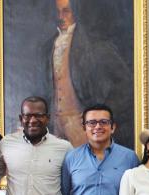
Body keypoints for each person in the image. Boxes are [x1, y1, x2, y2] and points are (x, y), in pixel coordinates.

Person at [41, 0, 133, 147]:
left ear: (75, 12)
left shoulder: (94, 45)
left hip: (82, 129)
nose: (60, 16)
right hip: (55, 130)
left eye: (66, 11)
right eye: (57, 12)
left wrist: (100, 117)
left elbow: (124, 84)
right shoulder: (48, 47)